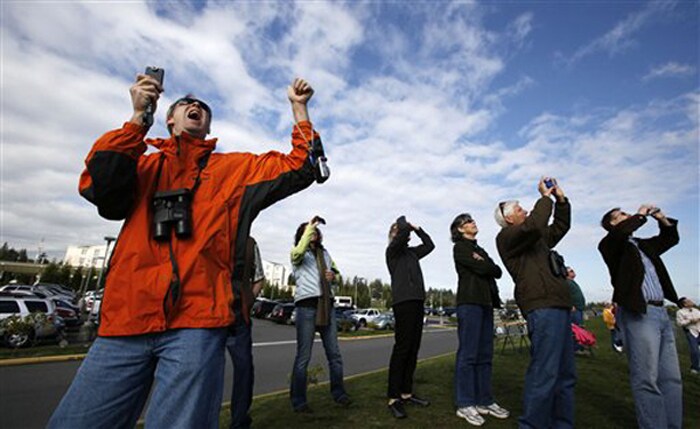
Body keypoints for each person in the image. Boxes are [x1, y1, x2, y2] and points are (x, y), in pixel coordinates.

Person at [49, 73, 321, 428]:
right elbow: (101, 188)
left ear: (207, 126)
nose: (195, 106)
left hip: (197, 325)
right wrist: (137, 119)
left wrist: (299, 109)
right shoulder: (142, 165)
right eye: (185, 104)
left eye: (203, 107)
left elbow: (301, 165)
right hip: (125, 323)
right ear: (169, 119)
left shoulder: (234, 171)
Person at [494, 177, 575, 429]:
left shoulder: (536, 237)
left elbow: (560, 226)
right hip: (542, 307)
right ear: (508, 219)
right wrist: (544, 197)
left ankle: (562, 424)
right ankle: (531, 425)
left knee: (565, 374)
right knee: (545, 372)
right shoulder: (507, 237)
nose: (525, 211)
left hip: (559, 304)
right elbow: (536, 223)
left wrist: (561, 200)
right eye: (519, 209)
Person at [598, 204, 685, 429]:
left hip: (661, 312)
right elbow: (621, 232)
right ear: (613, 224)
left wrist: (661, 217)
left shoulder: (644, 245)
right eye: (622, 215)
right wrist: (641, 215)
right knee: (647, 378)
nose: (629, 217)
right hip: (639, 313)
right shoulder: (610, 245)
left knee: (672, 378)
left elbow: (670, 238)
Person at [450, 213, 510, 426]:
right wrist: (483, 265)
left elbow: (497, 271)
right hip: (470, 304)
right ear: (459, 229)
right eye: (467, 222)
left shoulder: (480, 250)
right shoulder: (460, 248)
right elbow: (485, 268)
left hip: (487, 304)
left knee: (485, 354)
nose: (472, 222)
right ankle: (465, 403)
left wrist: (483, 263)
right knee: (468, 354)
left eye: (472, 220)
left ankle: (484, 400)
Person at [289, 217, 351, 413]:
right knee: (303, 357)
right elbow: (299, 250)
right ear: (303, 235)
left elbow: (336, 274)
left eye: (316, 230)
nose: (314, 232)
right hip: (306, 306)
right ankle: (299, 401)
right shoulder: (298, 254)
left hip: (326, 305)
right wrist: (310, 225)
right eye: (309, 230)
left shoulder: (325, 253)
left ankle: (339, 393)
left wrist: (334, 276)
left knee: (335, 354)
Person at [385, 215, 435, 419]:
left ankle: (406, 393)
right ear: (394, 235)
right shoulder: (393, 252)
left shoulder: (412, 253)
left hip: (417, 301)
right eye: (399, 230)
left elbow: (430, 245)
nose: (404, 232)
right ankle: (393, 398)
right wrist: (404, 223)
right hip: (403, 303)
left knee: (413, 348)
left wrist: (418, 228)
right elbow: (402, 233)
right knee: (402, 348)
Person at [227, 237, 265, 429]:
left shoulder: (249, 243)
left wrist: (248, 299)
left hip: (238, 316)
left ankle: (239, 420)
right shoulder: (212, 230)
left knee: (244, 370)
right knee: (204, 371)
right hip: (207, 315)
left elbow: (259, 278)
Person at [566, 266, 587, 355]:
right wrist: (570, 305)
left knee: (580, 329)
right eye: (571, 271)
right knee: (576, 330)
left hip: (579, 309)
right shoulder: (566, 283)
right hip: (574, 310)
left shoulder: (572, 282)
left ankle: (580, 346)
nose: (573, 272)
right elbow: (564, 295)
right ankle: (575, 348)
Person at [676, 299, 700, 375]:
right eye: (688, 301)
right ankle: (695, 368)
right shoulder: (680, 312)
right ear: (685, 304)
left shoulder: (696, 310)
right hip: (691, 332)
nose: (691, 301)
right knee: (695, 351)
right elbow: (680, 323)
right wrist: (690, 321)